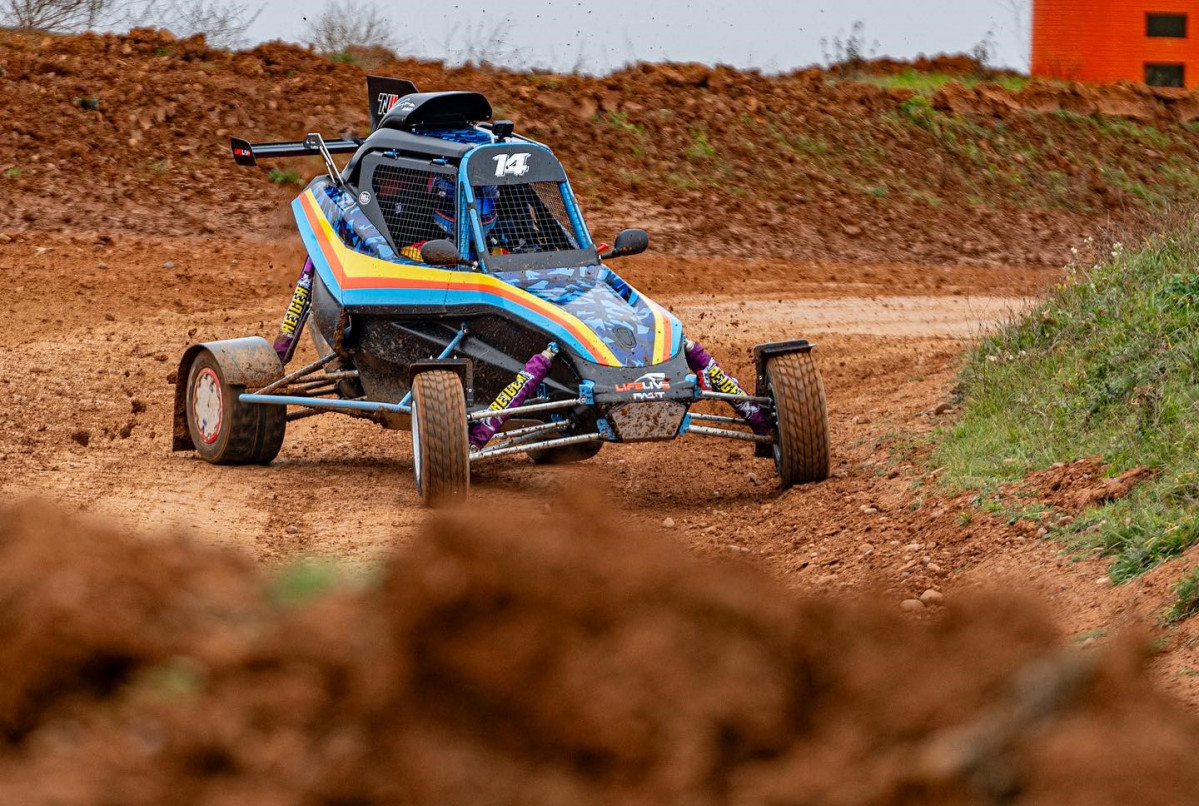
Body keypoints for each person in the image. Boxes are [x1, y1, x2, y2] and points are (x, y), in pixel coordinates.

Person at [398, 176, 503, 262]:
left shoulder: (499, 254)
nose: (475, 217)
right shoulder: (417, 254)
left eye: (486, 206)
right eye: (468, 209)